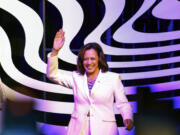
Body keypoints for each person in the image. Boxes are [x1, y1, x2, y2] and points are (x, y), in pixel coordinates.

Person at [46, 29, 133, 135]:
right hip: (78, 130)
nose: (89, 62)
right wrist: (55, 51)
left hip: (105, 130)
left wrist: (128, 117)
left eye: (92, 59)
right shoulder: (76, 77)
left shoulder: (113, 79)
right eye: (85, 59)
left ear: (99, 60)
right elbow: (52, 75)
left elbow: (123, 103)